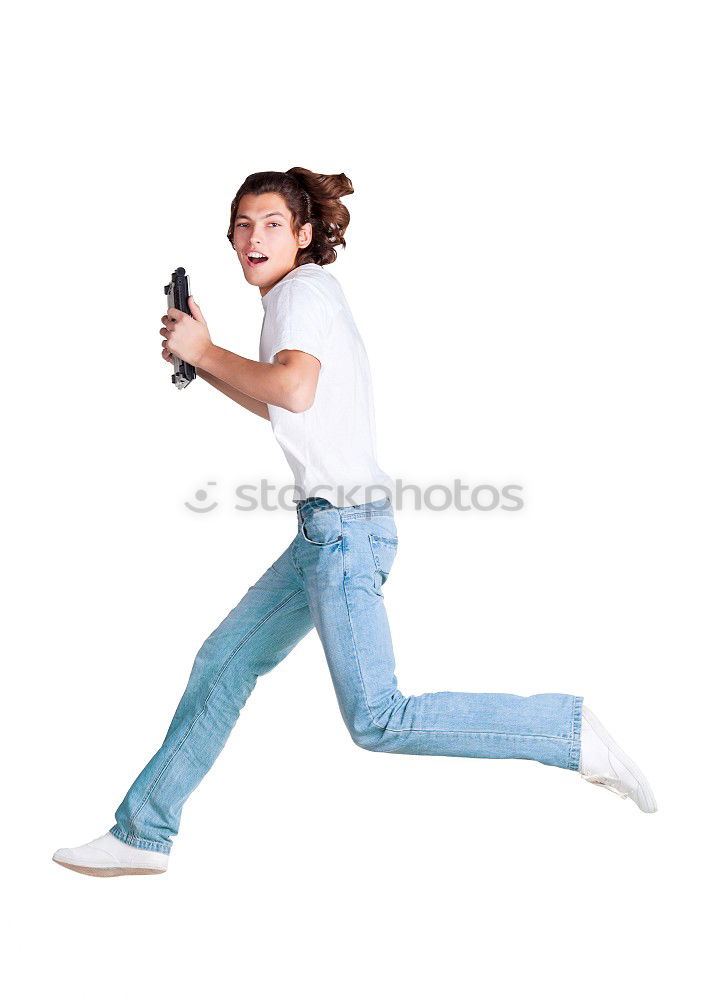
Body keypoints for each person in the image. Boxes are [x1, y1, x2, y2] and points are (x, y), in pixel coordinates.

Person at [53, 168, 657, 877]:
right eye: (243, 224)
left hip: (342, 533)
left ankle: (566, 728)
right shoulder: (296, 299)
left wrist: (206, 354)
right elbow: (285, 400)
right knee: (225, 662)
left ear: (303, 235)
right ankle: (141, 833)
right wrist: (207, 361)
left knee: (378, 718)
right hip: (327, 531)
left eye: (272, 223)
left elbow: (293, 388)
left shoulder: (301, 292)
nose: (254, 236)